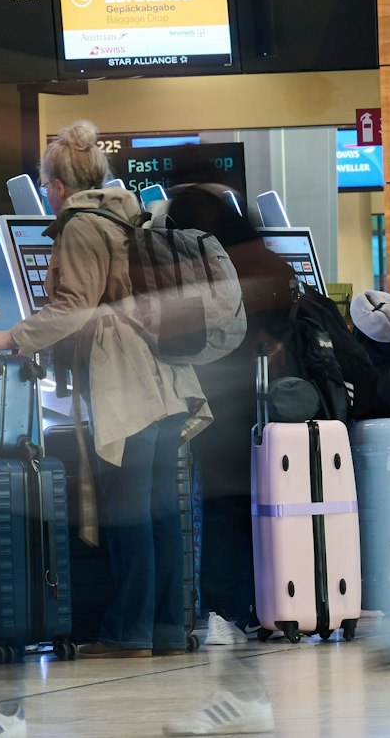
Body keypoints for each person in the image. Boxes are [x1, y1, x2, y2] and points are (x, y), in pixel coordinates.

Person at [0, 121, 210, 661]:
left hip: (127, 383)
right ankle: (168, 628)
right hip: (167, 376)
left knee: (130, 512)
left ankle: (130, 631)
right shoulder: (127, 213)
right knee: (160, 512)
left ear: (55, 184)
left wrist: (11, 336)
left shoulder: (81, 224)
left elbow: (74, 305)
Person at [161, 184, 297, 647]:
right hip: (256, 398)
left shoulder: (203, 256)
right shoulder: (255, 253)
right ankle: (263, 602)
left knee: (222, 504)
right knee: (247, 503)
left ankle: (223, 607)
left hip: (220, 392)